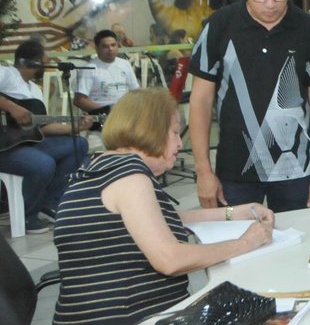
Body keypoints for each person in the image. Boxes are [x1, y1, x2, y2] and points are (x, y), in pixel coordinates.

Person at [53, 88, 274, 325]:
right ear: (152, 130)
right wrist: (246, 243)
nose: (180, 143)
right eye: (175, 132)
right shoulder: (129, 177)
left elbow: (164, 219)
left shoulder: (102, 167)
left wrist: (232, 213)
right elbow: (170, 260)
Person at [189, 0, 310, 213]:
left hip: (295, 171)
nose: (270, 3)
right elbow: (200, 101)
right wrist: (203, 171)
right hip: (234, 174)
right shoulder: (219, 26)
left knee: (296, 247)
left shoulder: (307, 28)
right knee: (239, 250)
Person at [0, 40, 91, 234]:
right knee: (43, 163)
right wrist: (11, 107)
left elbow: (44, 128)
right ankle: (26, 215)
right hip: (4, 147)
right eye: (44, 62)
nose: (47, 66)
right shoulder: (7, 74)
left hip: (25, 143)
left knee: (79, 144)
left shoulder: (35, 89)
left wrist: (74, 127)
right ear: (30, 63)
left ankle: (49, 203)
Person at [72, 29, 140, 116]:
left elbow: (135, 91)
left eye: (113, 45)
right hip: (102, 118)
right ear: (97, 48)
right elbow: (79, 100)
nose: (110, 49)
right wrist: (106, 112)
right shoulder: (89, 69)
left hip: (125, 115)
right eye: (105, 46)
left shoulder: (125, 64)